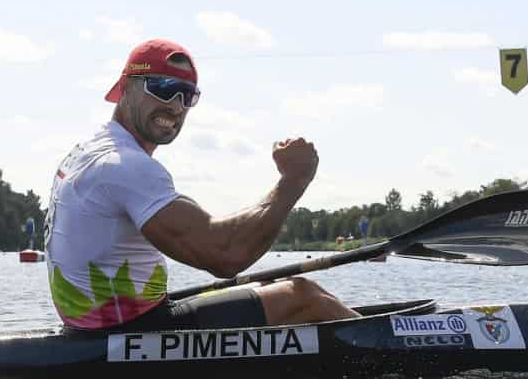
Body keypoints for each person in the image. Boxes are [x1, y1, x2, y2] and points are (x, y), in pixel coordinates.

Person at [45, 38, 359, 333]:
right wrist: (294, 181)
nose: (177, 106)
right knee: (303, 295)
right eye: (163, 88)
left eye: (187, 94)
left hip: (97, 328)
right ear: (126, 87)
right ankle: (398, 347)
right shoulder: (125, 165)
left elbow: (219, 240)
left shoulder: (87, 151)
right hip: (133, 331)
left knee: (273, 285)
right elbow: (225, 256)